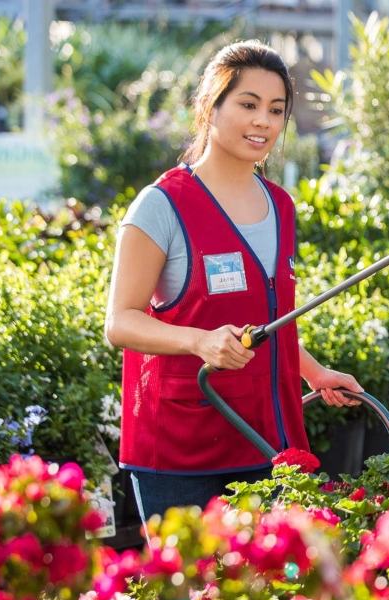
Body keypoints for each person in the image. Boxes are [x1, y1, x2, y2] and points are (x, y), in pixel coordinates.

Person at [104, 40, 362, 525]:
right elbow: (120, 322)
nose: (263, 121)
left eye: (276, 109)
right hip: (184, 450)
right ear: (209, 106)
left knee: (275, 594)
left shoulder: (280, 206)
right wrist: (200, 341)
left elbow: (267, 320)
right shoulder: (161, 206)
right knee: (195, 595)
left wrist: (313, 372)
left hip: (270, 441)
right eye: (247, 105)